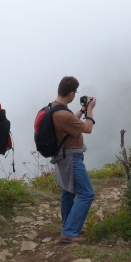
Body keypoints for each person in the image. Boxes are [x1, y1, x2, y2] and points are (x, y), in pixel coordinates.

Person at [49, 76, 96, 244]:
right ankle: (69, 231)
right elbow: (87, 128)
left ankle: (68, 224)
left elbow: (71, 122)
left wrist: (82, 110)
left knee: (68, 192)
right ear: (70, 94)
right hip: (71, 158)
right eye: (75, 93)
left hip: (63, 156)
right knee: (87, 194)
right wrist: (90, 109)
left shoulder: (55, 108)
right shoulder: (63, 114)